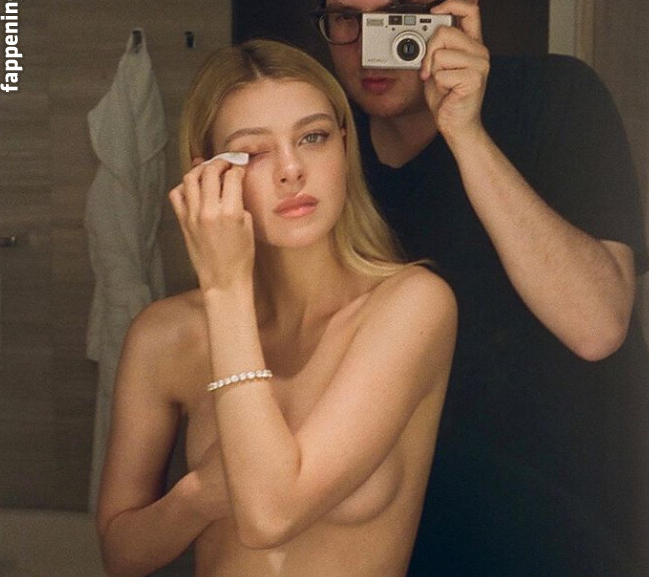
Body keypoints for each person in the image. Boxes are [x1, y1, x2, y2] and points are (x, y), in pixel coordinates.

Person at [312, 0, 649, 576]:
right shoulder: (324, 158)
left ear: (460, 12)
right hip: (409, 543)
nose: (369, 48)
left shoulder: (554, 97)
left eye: (396, 18)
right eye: (347, 20)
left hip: (572, 539)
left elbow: (598, 323)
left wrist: (466, 135)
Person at [96, 38, 456, 576]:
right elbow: (120, 556)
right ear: (207, 174)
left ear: (344, 145)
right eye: (254, 152)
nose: (291, 170)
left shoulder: (410, 308)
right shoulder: (165, 335)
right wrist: (200, 494)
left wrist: (225, 290)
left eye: (312, 137)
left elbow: (270, 515)